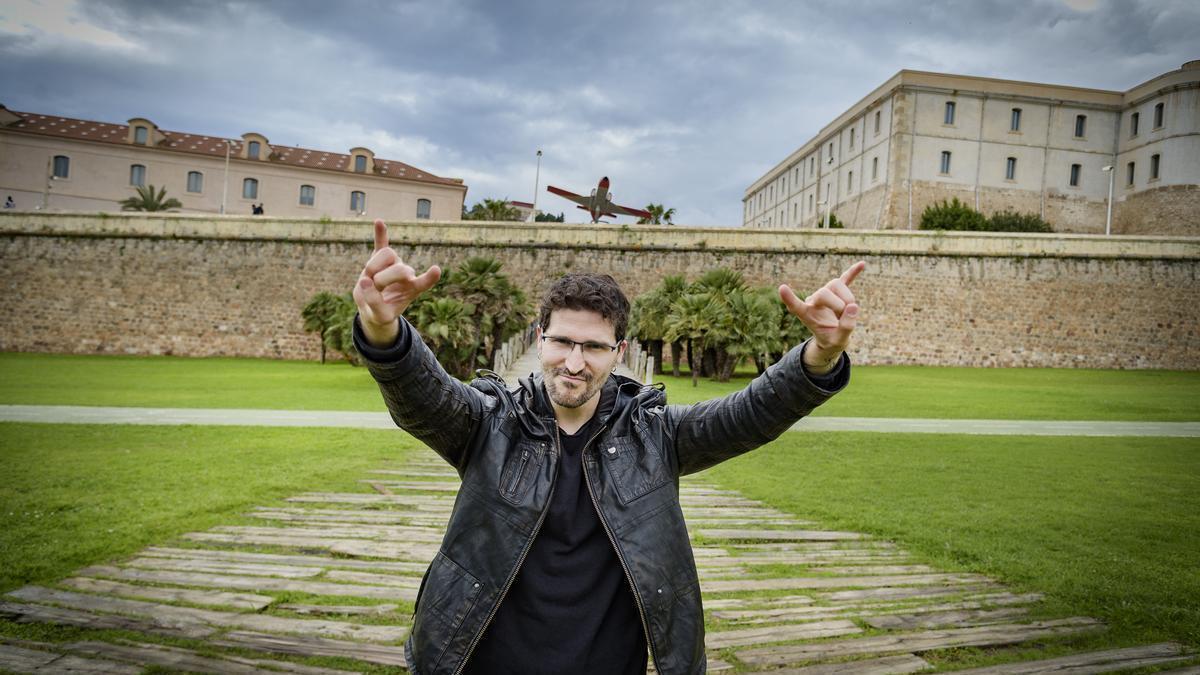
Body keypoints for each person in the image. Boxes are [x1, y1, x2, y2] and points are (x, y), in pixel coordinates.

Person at [352, 220, 863, 675]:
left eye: (594, 347)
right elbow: (423, 396)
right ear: (540, 338)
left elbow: (749, 415)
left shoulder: (657, 436)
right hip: (482, 659)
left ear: (619, 352)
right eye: (562, 342)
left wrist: (819, 355)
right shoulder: (488, 423)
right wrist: (382, 329)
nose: (574, 363)